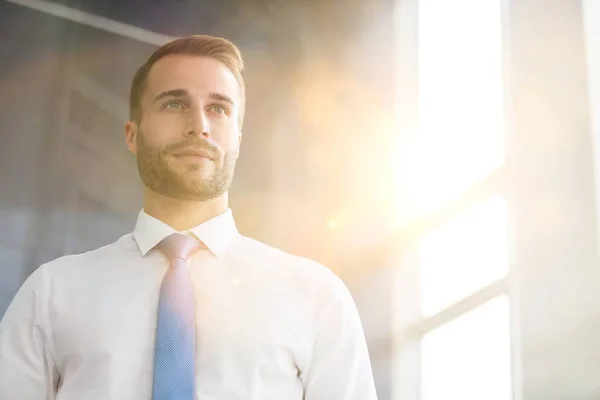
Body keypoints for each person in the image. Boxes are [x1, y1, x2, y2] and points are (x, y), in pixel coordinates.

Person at [0, 34, 378, 399]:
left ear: (238, 139)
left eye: (219, 108)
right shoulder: (51, 294)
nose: (199, 125)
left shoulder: (316, 297)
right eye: (174, 104)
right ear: (133, 135)